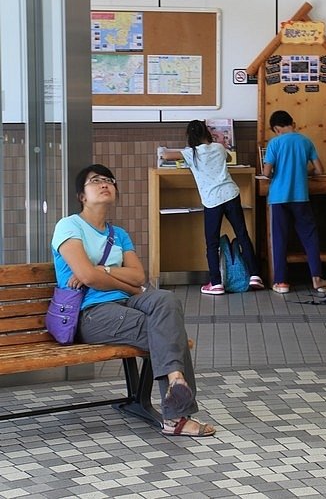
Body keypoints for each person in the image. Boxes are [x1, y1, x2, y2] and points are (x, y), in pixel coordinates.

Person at [51, 163, 216, 438]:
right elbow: (88, 278)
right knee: (167, 329)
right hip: (92, 312)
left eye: (109, 180)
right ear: (81, 195)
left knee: (166, 301)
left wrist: (103, 272)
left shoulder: (119, 235)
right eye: (95, 180)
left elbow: (139, 275)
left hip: (126, 303)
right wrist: (120, 282)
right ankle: (177, 416)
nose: (104, 183)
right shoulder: (69, 226)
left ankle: (175, 381)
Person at [160, 120, 264, 295]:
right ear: (207, 132)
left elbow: (166, 157)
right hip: (231, 194)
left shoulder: (191, 153)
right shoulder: (218, 147)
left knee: (212, 242)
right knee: (242, 234)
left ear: (190, 136)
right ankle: (254, 275)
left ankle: (216, 283)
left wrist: (164, 150)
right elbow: (229, 158)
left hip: (212, 201)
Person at [262, 110, 326, 295]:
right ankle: (317, 280)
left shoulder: (274, 143)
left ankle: (281, 282)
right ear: (292, 122)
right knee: (310, 236)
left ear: (276, 128)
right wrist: (305, 173)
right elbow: (319, 170)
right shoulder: (305, 141)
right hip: (301, 196)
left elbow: (266, 173)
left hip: (278, 197)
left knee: (279, 238)